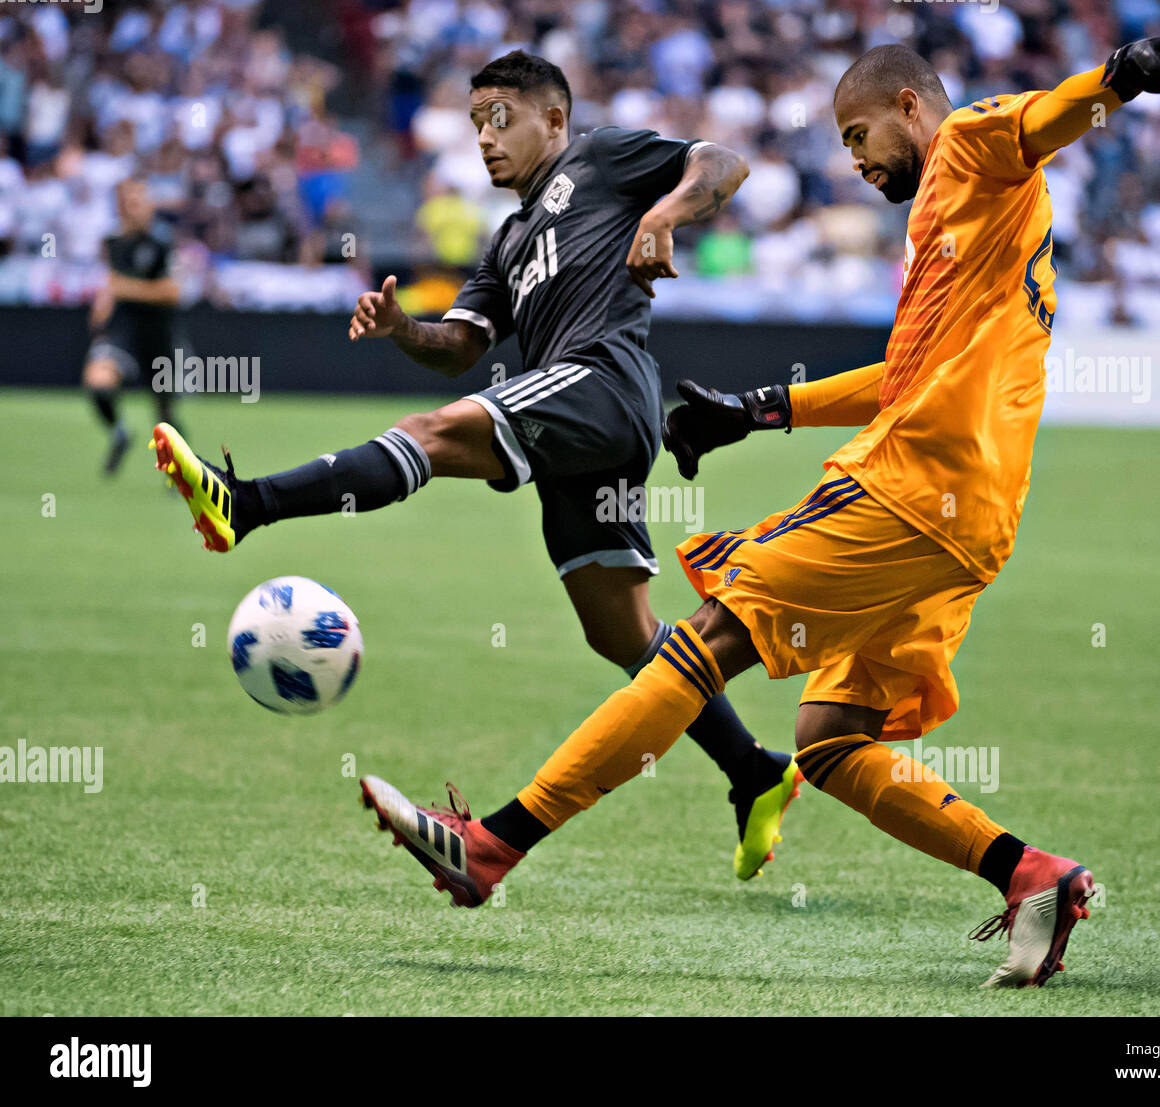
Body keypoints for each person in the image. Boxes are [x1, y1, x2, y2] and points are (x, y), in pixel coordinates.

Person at [357, 36, 1160, 988]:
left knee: (705, 640)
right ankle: (1031, 875)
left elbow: (1047, 116)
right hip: (972, 521)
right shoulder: (970, 231)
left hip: (909, 490)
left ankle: (491, 847)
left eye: (860, 134)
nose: (854, 157)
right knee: (833, 740)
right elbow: (904, 375)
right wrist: (762, 409)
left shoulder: (967, 145)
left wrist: (1124, 77)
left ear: (911, 108)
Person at [150, 51, 800, 881]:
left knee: (432, 433)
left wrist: (664, 212)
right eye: (474, 124)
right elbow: (459, 345)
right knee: (623, 634)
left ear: (554, 121)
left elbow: (724, 161)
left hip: (603, 383)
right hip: (584, 426)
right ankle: (754, 770)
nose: (485, 140)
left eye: (501, 118)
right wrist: (401, 328)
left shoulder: (599, 158)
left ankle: (247, 505)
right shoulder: (506, 242)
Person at [84, 177, 183, 474]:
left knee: (165, 419)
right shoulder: (113, 241)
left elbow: (172, 292)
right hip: (123, 330)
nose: (136, 208)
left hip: (158, 333)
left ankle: (181, 474)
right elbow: (112, 280)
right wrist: (106, 298)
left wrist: (122, 288)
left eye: (140, 200)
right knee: (98, 382)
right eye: (130, 202)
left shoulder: (163, 241)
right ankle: (120, 433)